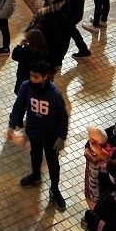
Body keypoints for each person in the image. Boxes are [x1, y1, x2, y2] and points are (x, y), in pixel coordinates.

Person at [7, 60, 69, 210]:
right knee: (35, 155)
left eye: (36, 77)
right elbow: (19, 105)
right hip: (34, 131)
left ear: (45, 77)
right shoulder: (26, 87)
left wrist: (61, 136)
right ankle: (35, 176)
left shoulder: (54, 93)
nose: (32, 79)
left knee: (53, 163)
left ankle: (54, 189)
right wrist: (12, 124)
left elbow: (63, 116)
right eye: (31, 76)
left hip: (51, 136)